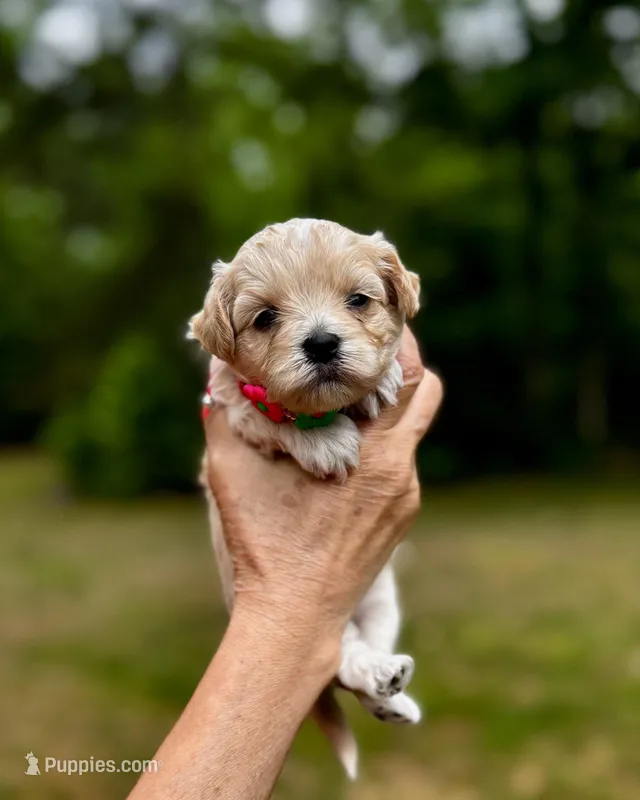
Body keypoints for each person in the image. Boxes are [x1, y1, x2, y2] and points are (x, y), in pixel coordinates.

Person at [129, 328, 443, 800]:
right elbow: (237, 411)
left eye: (356, 300)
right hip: (264, 552)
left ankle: (372, 671)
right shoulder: (230, 381)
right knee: (358, 618)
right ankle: (359, 666)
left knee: (381, 603)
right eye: (268, 316)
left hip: (350, 551)